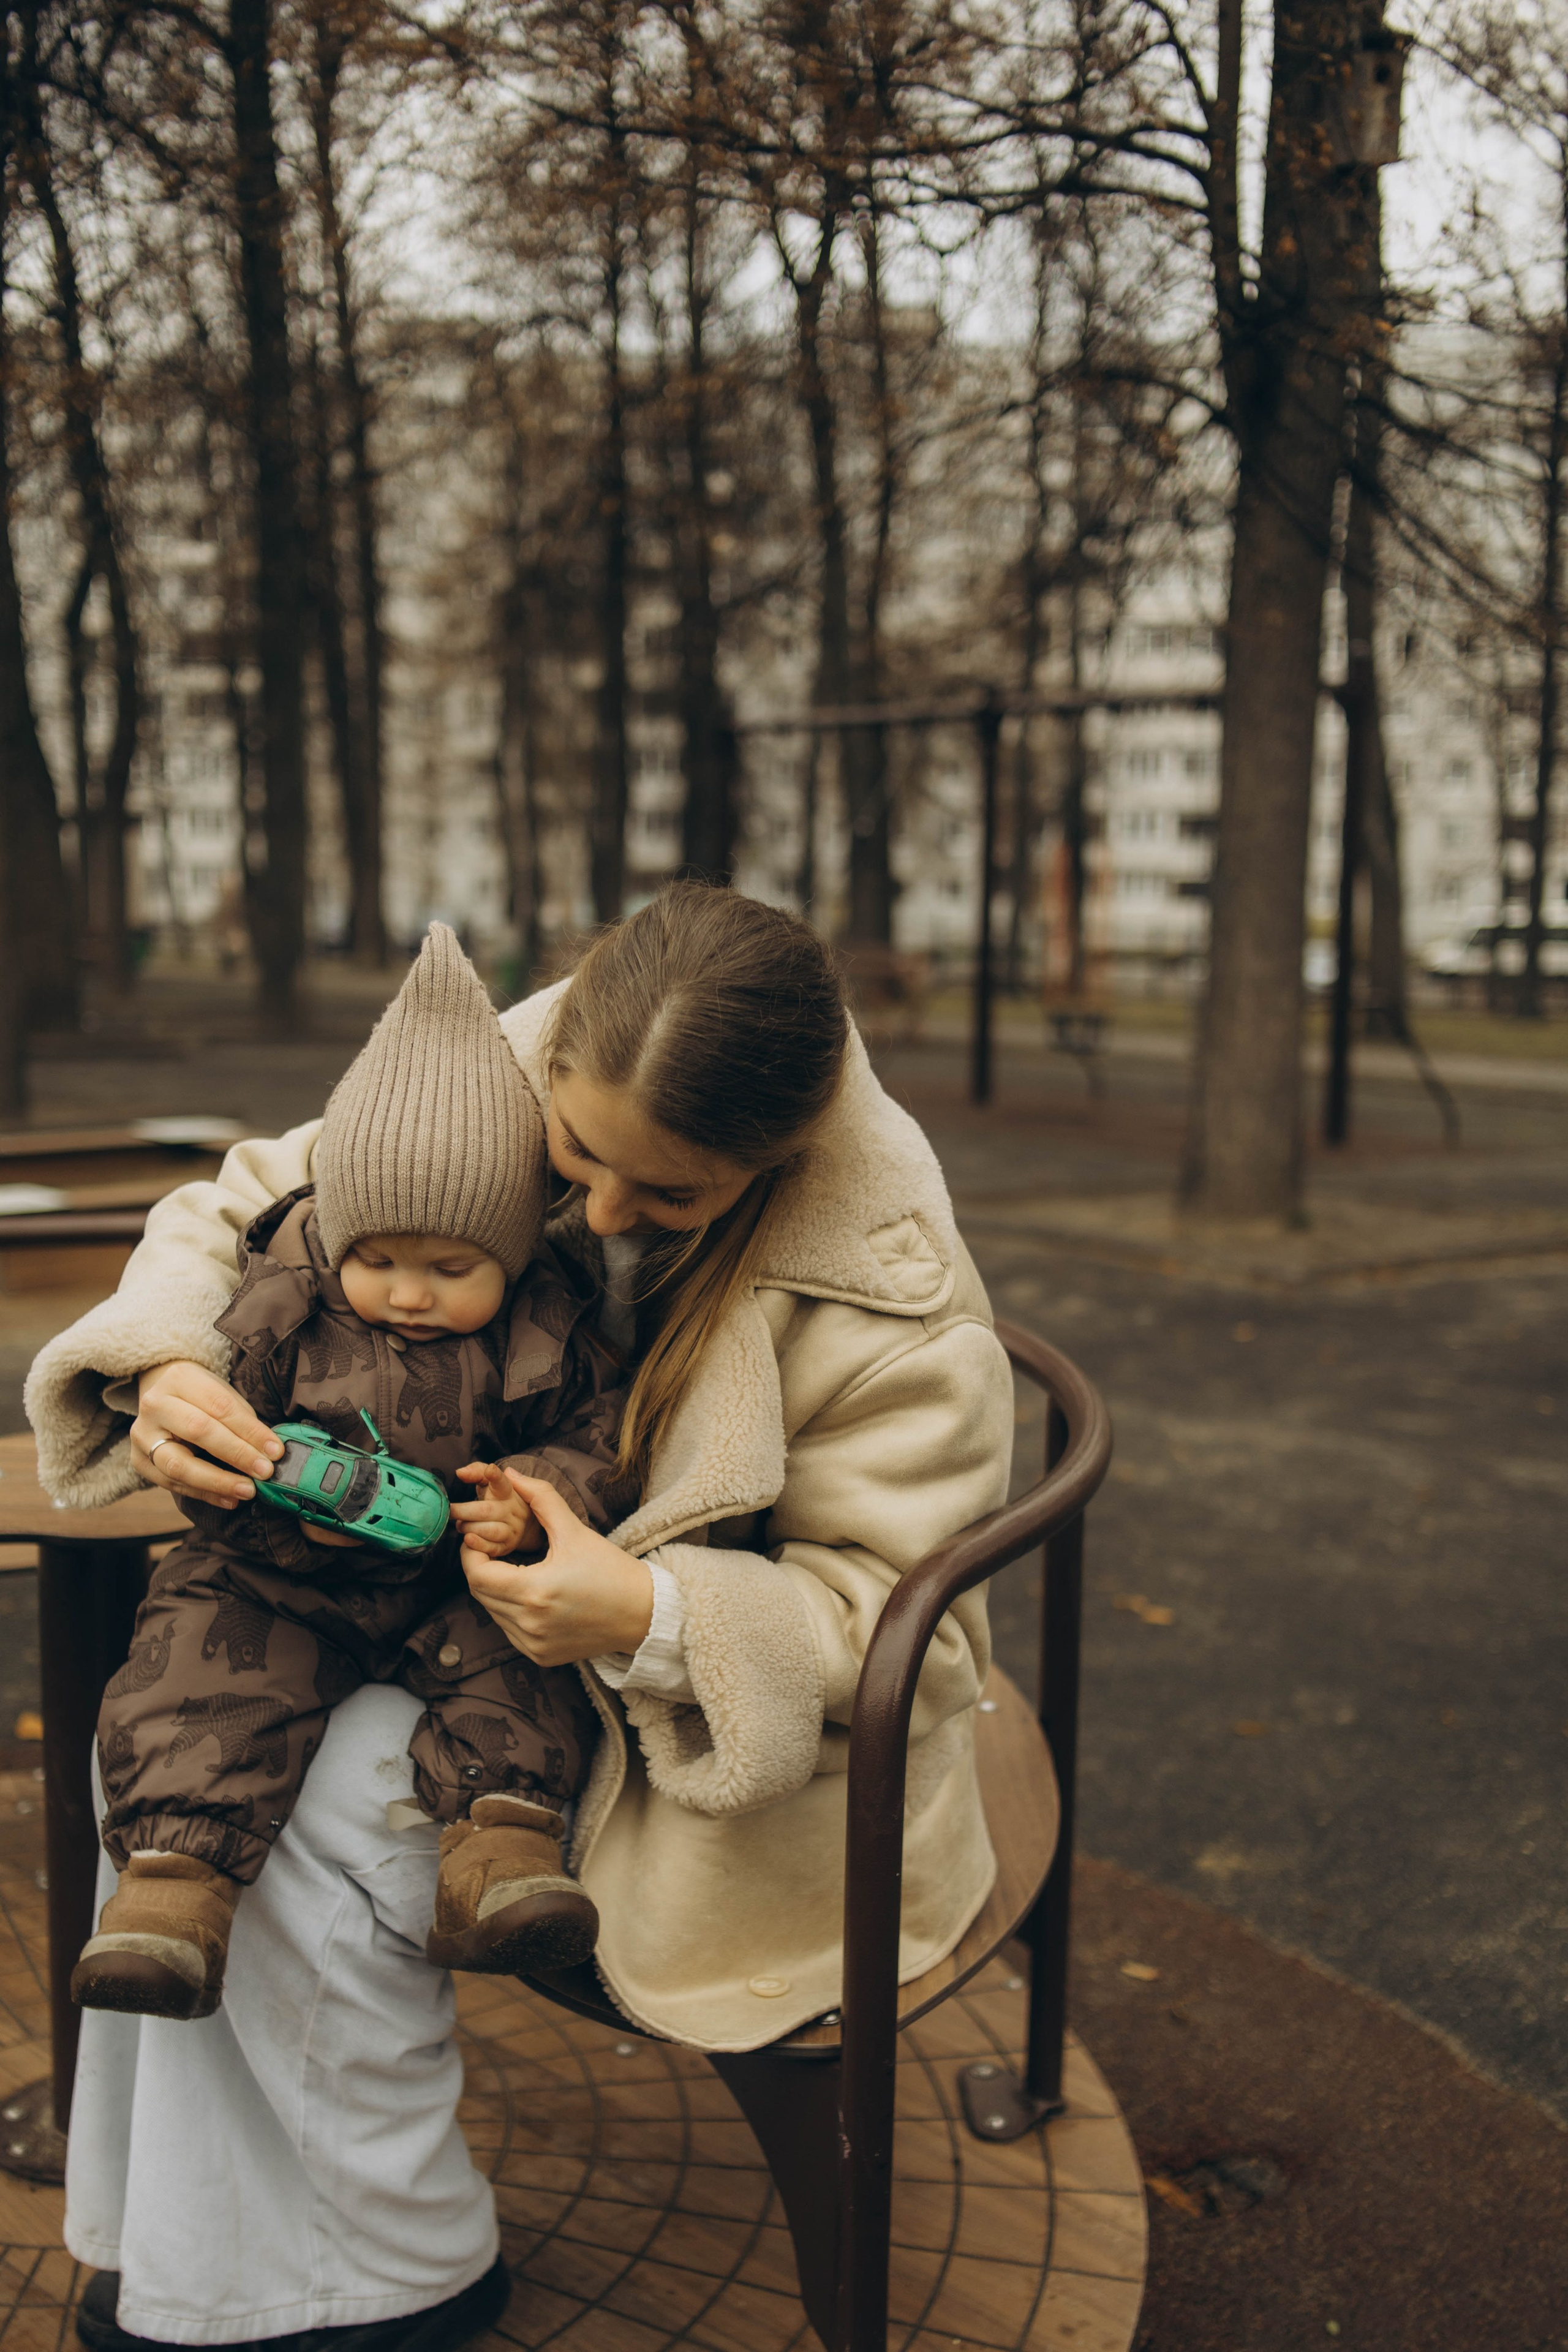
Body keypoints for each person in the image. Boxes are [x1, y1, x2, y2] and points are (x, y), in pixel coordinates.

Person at [26, 884, 1015, 2352]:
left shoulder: (892, 1305)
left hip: (704, 1728)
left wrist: (649, 1609)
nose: (599, 1214)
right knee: (179, 1759)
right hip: (449, 1612)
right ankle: (193, 2248)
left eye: (668, 1197)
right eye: (575, 1155)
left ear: (782, 1159)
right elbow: (251, 1198)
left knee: (318, 1811)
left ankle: (379, 2270)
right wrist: (171, 1359)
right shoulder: (488, 1071)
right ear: (554, 1060)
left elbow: (913, 1640)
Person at [69, 925, 621, 2027]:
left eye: (452, 1268)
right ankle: (172, 1890)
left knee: (527, 1673)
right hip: (281, 1576)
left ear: (513, 1255)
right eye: (379, 1260)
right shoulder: (279, 1306)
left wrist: (531, 1500)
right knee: (200, 1667)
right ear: (337, 1238)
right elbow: (211, 1445)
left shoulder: (550, 1326)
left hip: (457, 1583)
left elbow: (596, 1439)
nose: (410, 1292)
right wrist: (263, 1498)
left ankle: (503, 1854)